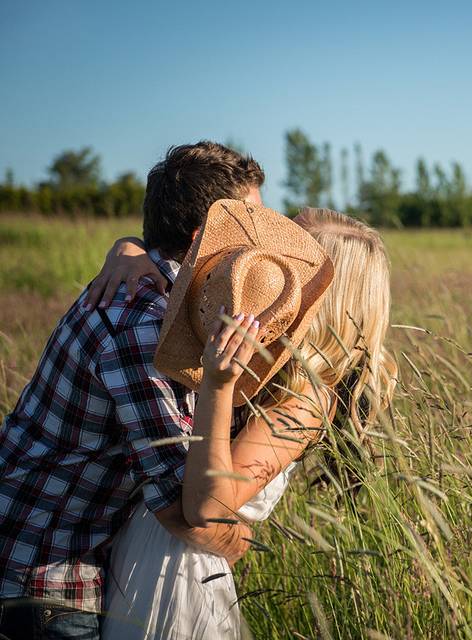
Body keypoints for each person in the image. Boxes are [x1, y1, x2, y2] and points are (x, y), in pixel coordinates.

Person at [0, 142, 265, 640]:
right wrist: (243, 540)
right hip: (42, 581)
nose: (261, 255)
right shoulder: (143, 328)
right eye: (250, 235)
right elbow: (184, 514)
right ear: (204, 241)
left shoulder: (158, 298)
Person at [98, 204, 396, 638]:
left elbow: (205, 506)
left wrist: (217, 386)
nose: (264, 255)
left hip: (175, 580)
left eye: (286, 254)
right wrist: (128, 249)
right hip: (143, 556)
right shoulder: (268, 361)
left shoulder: (306, 399)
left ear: (325, 294)